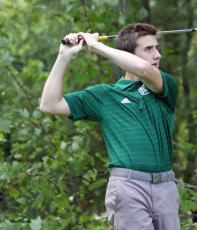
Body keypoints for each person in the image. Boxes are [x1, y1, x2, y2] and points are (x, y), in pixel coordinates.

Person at [40, 23, 180, 230]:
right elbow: (49, 104)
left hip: (166, 187)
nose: (157, 55)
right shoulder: (105, 95)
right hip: (129, 187)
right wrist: (64, 55)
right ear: (126, 55)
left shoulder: (164, 84)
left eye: (156, 48)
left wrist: (95, 46)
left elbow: (142, 69)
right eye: (148, 49)